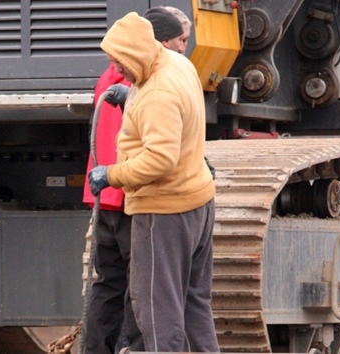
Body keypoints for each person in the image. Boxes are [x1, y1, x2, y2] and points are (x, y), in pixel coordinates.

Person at [87, 11, 219, 353]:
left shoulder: (157, 92)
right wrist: (129, 96)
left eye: (119, 62)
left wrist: (112, 174)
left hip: (164, 211)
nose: (117, 71)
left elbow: (160, 159)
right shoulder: (177, 65)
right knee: (193, 308)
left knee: (157, 315)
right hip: (197, 203)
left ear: (135, 54)